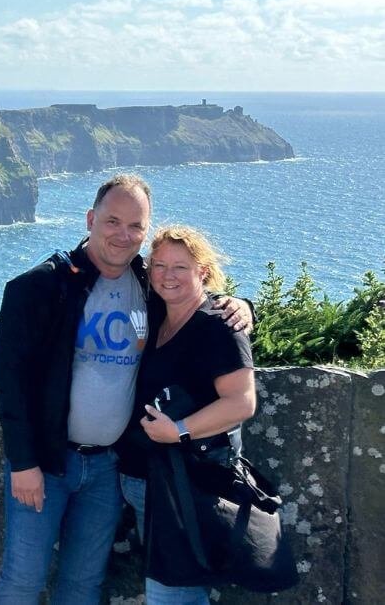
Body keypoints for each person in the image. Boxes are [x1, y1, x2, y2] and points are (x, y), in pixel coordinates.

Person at [0, 175, 251, 604]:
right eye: (112, 221)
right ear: (91, 219)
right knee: (23, 580)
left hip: (108, 469)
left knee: (83, 583)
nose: (122, 235)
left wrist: (240, 305)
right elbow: (10, 379)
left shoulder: (147, 284)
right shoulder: (43, 286)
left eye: (135, 226)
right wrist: (23, 462)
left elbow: (191, 299)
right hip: (46, 463)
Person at [116, 225, 256, 604]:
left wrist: (178, 430)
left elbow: (242, 403)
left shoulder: (218, 326)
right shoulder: (159, 313)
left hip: (184, 484)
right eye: (159, 265)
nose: (167, 275)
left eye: (180, 266)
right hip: (147, 481)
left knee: (170, 593)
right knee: (177, 589)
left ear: (203, 272)